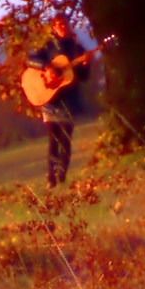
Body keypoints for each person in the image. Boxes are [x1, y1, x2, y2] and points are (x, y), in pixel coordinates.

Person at [26, 10, 97, 187]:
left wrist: (86, 65)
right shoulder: (48, 46)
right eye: (58, 24)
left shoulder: (76, 49)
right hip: (50, 99)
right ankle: (51, 176)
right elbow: (31, 59)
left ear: (68, 26)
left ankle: (62, 174)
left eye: (64, 24)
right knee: (53, 138)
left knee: (66, 139)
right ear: (54, 27)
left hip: (70, 99)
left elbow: (83, 77)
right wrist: (47, 67)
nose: (62, 27)